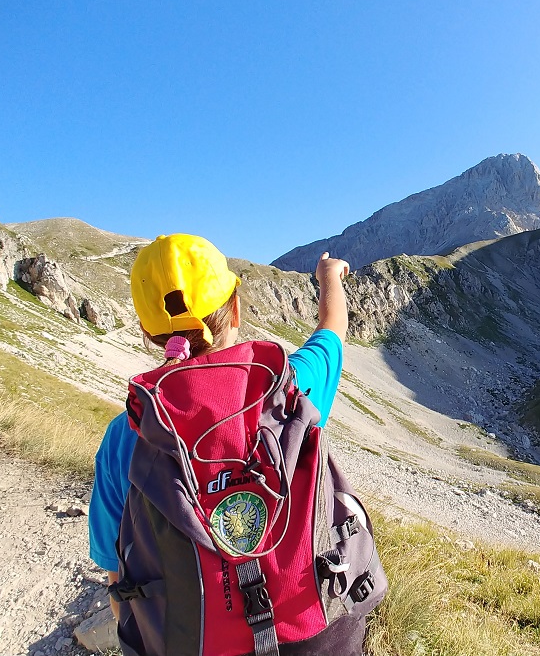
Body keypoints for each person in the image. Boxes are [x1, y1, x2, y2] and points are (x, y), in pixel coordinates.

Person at [88, 234, 366, 654]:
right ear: (235, 308)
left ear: (148, 331)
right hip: (311, 631)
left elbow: (116, 573)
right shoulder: (289, 389)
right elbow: (332, 331)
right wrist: (329, 277)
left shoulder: (128, 433)